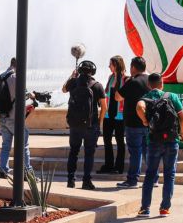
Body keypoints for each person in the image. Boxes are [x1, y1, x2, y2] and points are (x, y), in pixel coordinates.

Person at [136, 73, 183, 218]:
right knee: (170, 174)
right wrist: (182, 134)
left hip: (153, 141)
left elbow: (139, 108)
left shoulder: (145, 97)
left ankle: (145, 209)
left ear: (149, 84)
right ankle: (164, 208)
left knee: (150, 174)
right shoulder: (172, 97)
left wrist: (145, 121)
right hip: (172, 141)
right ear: (161, 83)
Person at [62, 60, 107, 190]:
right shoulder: (97, 86)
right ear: (93, 72)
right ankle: (86, 181)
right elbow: (104, 106)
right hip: (91, 125)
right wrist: (99, 122)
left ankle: (71, 180)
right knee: (89, 154)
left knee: (73, 152)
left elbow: (63, 89)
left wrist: (72, 76)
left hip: (75, 125)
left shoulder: (73, 83)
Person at [116, 56, 150, 189]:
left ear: (133, 68)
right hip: (148, 123)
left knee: (135, 152)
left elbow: (117, 97)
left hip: (133, 123)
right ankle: (153, 178)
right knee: (148, 152)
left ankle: (132, 180)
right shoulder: (149, 80)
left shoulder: (132, 82)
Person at [0, 58, 33, 180]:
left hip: (3, 116)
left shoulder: (1, 76)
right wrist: (32, 95)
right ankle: (27, 173)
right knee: (24, 145)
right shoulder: (16, 77)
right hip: (14, 117)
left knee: (6, 145)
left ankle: (2, 170)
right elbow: (22, 95)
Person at [99, 56, 127, 175]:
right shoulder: (111, 77)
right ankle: (108, 165)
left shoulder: (126, 79)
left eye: (110, 64)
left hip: (119, 115)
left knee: (120, 141)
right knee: (107, 140)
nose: (109, 66)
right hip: (108, 115)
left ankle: (119, 167)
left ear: (116, 65)